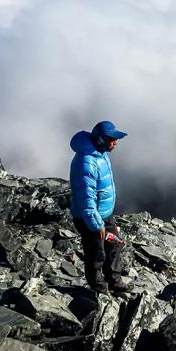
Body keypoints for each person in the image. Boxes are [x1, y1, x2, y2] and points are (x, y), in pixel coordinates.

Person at [69, 120, 129, 294]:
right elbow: (85, 198)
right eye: (111, 139)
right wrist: (96, 224)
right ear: (100, 139)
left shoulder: (99, 154)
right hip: (89, 218)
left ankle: (114, 281)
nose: (115, 142)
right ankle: (98, 289)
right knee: (96, 252)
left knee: (114, 246)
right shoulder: (86, 162)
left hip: (104, 214)